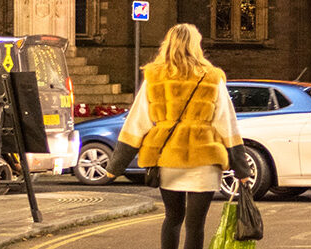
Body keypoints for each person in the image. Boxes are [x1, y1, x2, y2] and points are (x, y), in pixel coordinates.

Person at [106, 24, 250, 249]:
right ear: (196, 45)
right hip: (204, 159)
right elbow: (227, 123)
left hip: (168, 158)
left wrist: (115, 166)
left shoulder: (154, 77)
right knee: (195, 225)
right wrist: (242, 169)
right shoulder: (212, 77)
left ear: (168, 43)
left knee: (172, 218)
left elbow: (137, 121)